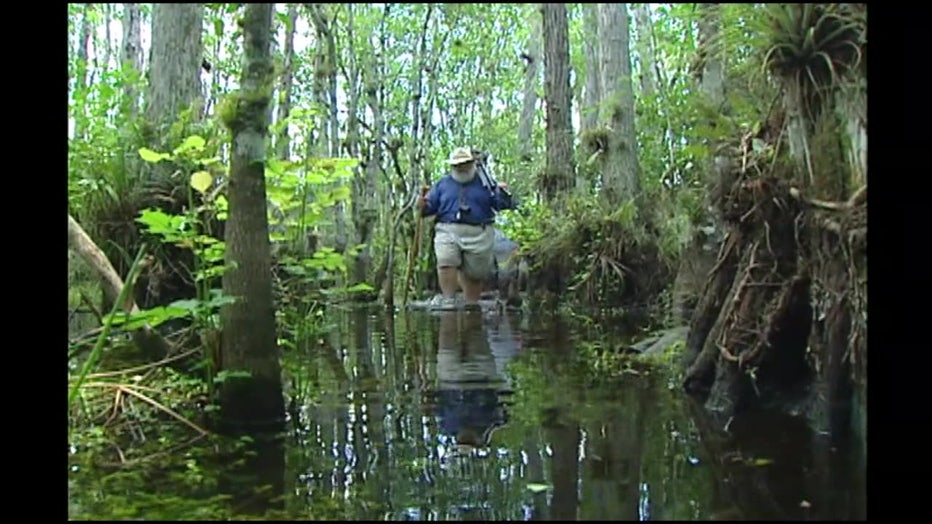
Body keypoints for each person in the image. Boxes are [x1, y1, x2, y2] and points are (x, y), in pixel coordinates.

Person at [418, 147, 516, 310]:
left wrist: (503, 193)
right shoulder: (443, 184)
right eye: (457, 165)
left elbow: (502, 205)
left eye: (465, 164)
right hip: (448, 230)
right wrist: (422, 206)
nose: (461, 168)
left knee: (475, 273)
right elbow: (428, 209)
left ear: (472, 164)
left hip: (479, 232)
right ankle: (448, 300)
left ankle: (472, 306)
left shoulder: (486, 183)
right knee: (446, 261)